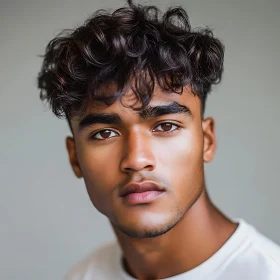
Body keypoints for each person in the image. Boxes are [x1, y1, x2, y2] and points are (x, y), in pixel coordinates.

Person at [37, 1, 280, 279]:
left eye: (165, 126)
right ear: (74, 157)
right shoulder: (84, 275)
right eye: (105, 133)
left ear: (207, 140)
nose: (136, 159)